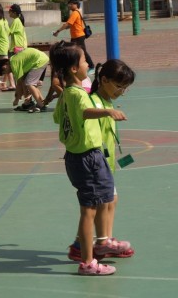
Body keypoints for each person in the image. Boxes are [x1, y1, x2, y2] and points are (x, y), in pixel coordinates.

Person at [49, 41, 131, 276]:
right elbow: (85, 111)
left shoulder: (67, 95)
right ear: (74, 69)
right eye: (85, 60)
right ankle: (86, 260)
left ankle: (95, 247)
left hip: (77, 157)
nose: (88, 64)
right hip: (88, 157)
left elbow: (58, 118)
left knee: (97, 204)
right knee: (90, 210)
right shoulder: (77, 95)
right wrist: (107, 111)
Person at [67, 59, 136, 262]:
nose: (121, 92)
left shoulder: (106, 101)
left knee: (110, 200)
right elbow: (85, 119)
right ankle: (99, 243)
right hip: (96, 162)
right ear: (104, 80)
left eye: (125, 89)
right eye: (119, 86)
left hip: (106, 161)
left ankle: (98, 241)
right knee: (98, 204)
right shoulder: (95, 102)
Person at [0, 47, 49, 113]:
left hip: (39, 60)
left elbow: (20, 84)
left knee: (29, 83)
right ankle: (40, 102)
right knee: (30, 83)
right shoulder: (13, 60)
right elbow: (22, 81)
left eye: (5, 72)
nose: (7, 73)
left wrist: (16, 99)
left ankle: (41, 105)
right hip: (41, 58)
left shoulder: (14, 64)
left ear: (5, 66)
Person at [52, 0, 94, 72]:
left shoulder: (75, 13)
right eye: (69, 4)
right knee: (75, 51)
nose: (69, 6)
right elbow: (70, 25)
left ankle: (91, 66)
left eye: (71, 4)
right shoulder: (77, 12)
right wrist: (65, 28)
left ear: (76, 4)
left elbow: (67, 24)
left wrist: (58, 31)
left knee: (82, 51)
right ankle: (77, 65)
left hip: (78, 36)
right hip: (76, 36)